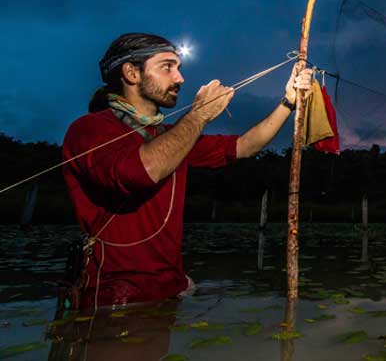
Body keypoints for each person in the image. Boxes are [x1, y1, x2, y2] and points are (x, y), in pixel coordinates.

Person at [61, 33, 311, 310]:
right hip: (114, 298)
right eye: (167, 67)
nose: (179, 78)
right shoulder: (90, 129)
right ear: (131, 73)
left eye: (179, 68)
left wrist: (288, 101)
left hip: (170, 286)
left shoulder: (172, 135)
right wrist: (199, 115)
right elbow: (143, 171)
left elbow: (245, 146)